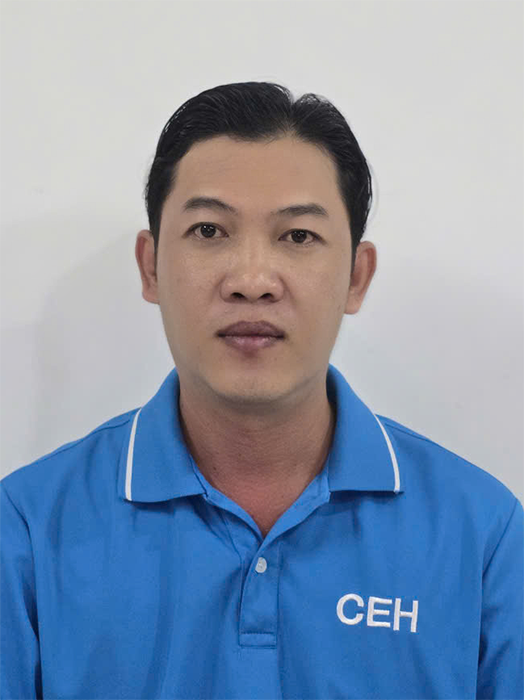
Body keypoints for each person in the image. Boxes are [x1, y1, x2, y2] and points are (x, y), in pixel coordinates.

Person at [1, 81, 523, 699]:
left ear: (356, 277)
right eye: (208, 230)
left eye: (298, 236)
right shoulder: (27, 529)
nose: (252, 280)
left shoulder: (483, 535)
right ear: (150, 267)